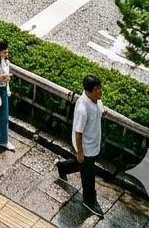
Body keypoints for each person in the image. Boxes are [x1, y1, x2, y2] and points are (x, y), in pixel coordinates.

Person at [56, 75, 105, 215]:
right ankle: (89, 201)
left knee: (83, 164)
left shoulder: (96, 99)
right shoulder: (82, 108)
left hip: (93, 142)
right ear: (88, 92)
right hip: (86, 146)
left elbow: (100, 109)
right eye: (97, 89)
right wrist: (80, 152)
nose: (100, 91)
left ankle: (63, 166)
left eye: (100, 88)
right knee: (88, 175)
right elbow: (78, 133)